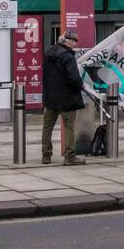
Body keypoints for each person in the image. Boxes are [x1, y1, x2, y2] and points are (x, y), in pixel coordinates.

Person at [42, 29, 86, 165]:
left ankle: (46, 155)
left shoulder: (48, 53)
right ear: (67, 41)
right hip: (66, 98)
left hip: (50, 98)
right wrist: (81, 85)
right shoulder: (68, 56)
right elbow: (73, 78)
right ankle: (69, 156)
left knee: (47, 127)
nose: (75, 44)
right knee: (69, 126)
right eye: (74, 41)